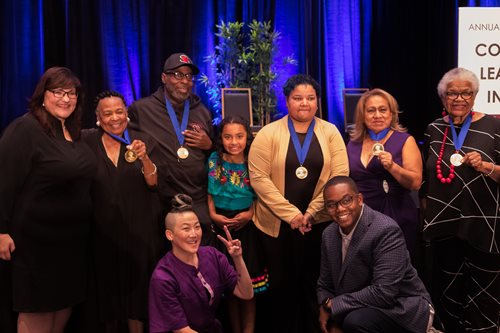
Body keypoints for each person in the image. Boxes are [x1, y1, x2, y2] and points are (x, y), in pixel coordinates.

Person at [248, 74, 349, 333]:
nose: (304, 103)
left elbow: (339, 176)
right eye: (297, 98)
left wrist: (311, 213)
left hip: (320, 225)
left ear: (317, 102)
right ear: (287, 101)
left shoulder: (330, 132)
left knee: (315, 284)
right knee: (281, 287)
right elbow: (258, 178)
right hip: (277, 227)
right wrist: (292, 214)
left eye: (310, 98)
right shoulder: (268, 133)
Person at [0, 67, 96, 333]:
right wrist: (0, 230)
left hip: (71, 245)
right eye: (58, 92)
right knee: (37, 316)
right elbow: (4, 181)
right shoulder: (25, 129)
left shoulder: (73, 131)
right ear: (43, 95)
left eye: (71, 93)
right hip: (35, 245)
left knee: (62, 312)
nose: (66, 98)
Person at [420, 67, 500, 332]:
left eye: (465, 93)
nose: (459, 98)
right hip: (445, 226)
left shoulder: (494, 125)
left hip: (484, 225)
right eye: (452, 93)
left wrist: (487, 166)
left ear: (475, 96)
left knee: (485, 298)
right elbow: (426, 178)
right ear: (443, 98)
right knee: (448, 295)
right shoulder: (434, 129)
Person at [82, 90, 164, 333]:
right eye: (107, 113)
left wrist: (145, 158)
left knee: (136, 294)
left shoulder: (142, 139)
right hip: (100, 233)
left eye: (119, 111)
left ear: (127, 113)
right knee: (105, 293)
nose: (114, 117)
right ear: (98, 118)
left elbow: (153, 184)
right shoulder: (85, 140)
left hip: (138, 232)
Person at [318, 176, 435, 333]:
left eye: (346, 200)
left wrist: (334, 306)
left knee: (356, 321)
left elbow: (384, 293)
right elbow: (325, 283)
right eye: (331, 205)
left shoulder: (385, 230)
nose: (339, 209)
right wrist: (325, 306)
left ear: (359, 199)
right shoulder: (329, 234)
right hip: (360, 306)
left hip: (403, 307)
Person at [128, 53, 215, 245]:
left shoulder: (202, 111)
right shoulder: (141, 110)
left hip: (197, 200)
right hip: (161, 201)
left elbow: (215, 155)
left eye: (189, 76)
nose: (185, 81)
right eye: (177, 75)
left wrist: (209, 145)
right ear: (164, 78)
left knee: (201, 258)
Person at [148, 194, 253, 333]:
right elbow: (181, 330)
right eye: (186, 229)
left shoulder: (212, 255)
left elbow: (246, 293)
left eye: (197, 227)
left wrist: (237, 258)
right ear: (170, 235)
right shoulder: (163, 277)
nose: (194, 234)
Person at [207, 116, 269, 333]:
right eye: (228, 137)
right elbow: (209, 195)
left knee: (249, 283)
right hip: (222, 225)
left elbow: (259, 194)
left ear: (248, 137)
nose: (234, 142)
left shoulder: (253, 160)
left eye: (239, 136)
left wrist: (250, 214)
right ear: (221, 138)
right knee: (230, 285)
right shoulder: (215, 159)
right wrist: (214, 216)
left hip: (247, 225)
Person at [347, 88, 422, 260]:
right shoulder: (353, 142)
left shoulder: (405, 140)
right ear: (362, 115)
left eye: (383, 110)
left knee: (394, 271)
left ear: (392, 114)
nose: (377, 115)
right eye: (371, 110)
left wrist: (392, 167)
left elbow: (416, 183)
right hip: (362, 218)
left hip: (396, 215)